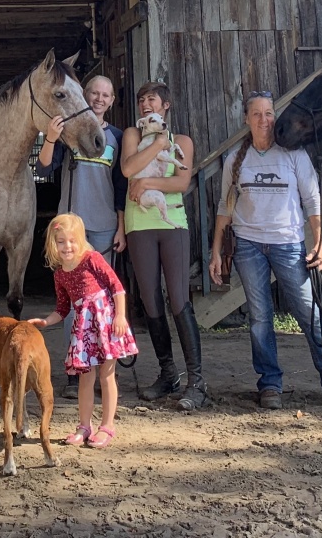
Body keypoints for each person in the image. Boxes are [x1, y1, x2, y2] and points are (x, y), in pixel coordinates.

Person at [208, 91, 322, 412]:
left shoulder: (293, 155)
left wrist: (318, 242)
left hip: (288, 244)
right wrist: (216, 251)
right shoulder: (235, 159)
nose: (265, 120)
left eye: (269, 113)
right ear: (246, 119)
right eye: (257, 114)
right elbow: (225, 206)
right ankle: (270, 383)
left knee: (308, 312)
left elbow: (312, 200)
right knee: (260, 318)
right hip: (248, 246)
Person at [35, 74, 125, 400]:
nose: (99, 99)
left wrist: (121, 227)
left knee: (101, 305)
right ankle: (76, 372)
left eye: (106, 94)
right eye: (94, 93)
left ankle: (103, 371)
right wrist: (50, 137)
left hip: (102, 229)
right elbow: (44, 169)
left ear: (112, 100)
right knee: (73, 306)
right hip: (70, 234)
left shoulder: (115, 137)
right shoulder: (68, 135)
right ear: (85, 96)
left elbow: (120, 187)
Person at [121, 80, 204, 412]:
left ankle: (197, 382)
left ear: (165, 105)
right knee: (150, 301)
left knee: (179, 298)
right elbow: (128, 168)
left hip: (173, 224)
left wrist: (145, 182)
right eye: (141, 100)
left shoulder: (183, 141)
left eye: (151, 99)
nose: (145, 104)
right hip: (139, 224)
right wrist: (156, 147)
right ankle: (168, 374)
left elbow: (181, 182)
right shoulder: (132, 136)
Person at [28, 212, 138, 450]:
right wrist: (46, 321)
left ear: (80, 240)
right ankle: (84, 426)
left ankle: (107, 425)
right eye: (61, 242)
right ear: (53, 244)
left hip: (105, 321)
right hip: (83, 328)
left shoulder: (92, 259)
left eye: (72, 240)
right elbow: (62, 308)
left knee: (107, 375)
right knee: (84, 379)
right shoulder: (60, 274)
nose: (67, 246)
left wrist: (120, 315)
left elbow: (117, 287)